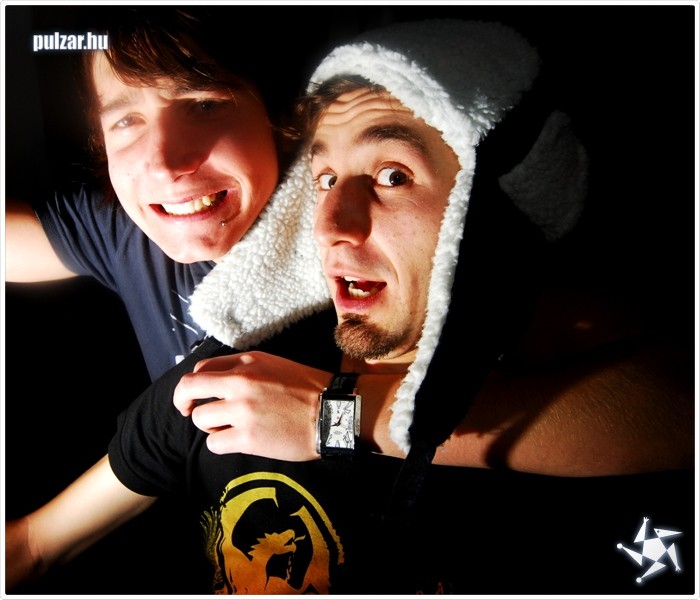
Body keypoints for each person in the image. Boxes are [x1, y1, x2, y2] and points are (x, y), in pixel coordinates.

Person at [5, 19, 694, 595]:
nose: (333, 223)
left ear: (487, 205)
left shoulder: (566, 376)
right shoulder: (238, 371)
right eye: (325, 178)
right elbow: (31, 546)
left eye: (392, 175)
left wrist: (331, 418)